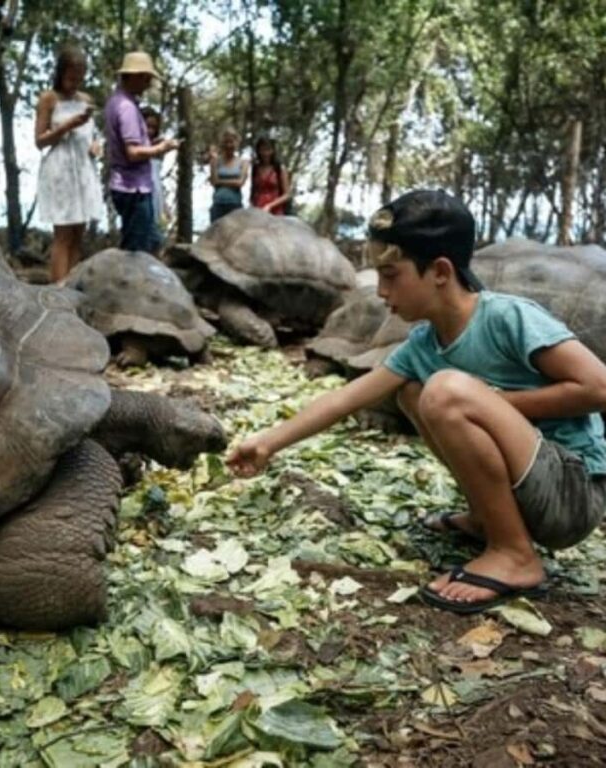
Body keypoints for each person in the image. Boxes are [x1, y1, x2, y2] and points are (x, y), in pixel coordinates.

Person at [227, 189, 606, 614]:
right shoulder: (423, 343)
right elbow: (345, 399)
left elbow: (599, 388)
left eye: (392, 276)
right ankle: (489, 518)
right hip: (531, 487)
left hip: (573, 495)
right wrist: (267, 443)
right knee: (412, 392)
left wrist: (497, 404)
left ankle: (515, 555)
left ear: (441, 271)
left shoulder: (508, 318)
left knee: (445, 392)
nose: (382, 291)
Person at [35, 46, 104, 282]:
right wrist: (67, 126)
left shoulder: (86, 100)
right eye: (71, 77)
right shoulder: (49, 99)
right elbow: (40, 141)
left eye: (80, 78)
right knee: (63, 234)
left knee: (78, 234)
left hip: (83, 169)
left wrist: (96, 146)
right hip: (60, 168)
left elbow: (92, 135)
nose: (75, 83)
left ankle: (72, 286)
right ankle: (58, 289)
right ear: (61, 73)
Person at [104, 51, 180, 253]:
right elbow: (132, 152)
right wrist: (160, 148)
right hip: (133, 188)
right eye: (146, 78)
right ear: (135, 76)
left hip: (127, 185)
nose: (148, 84)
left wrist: (151, 143)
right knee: (136, 251)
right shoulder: (127, 108)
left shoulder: (116, 102)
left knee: (147, 240)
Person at [209, 127, 249, 222]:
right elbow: (214, 182)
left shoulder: (243, 162)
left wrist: (221, 182)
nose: (229, 145)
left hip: (235, 204)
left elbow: (240, 183)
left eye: (231, 142)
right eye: (226, 142)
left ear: (236, 143)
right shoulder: (215, 162)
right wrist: (233, 182)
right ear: (222, 143)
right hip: (218, 204)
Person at [141, 106, 170, 232]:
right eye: (147, 126)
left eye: (153, 128)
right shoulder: (134, 149)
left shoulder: (156, 151)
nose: (150, 131)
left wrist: (164, 204)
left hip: (155, 194)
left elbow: (156, 180)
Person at [250, 136, 291, 215]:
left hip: (276, 208)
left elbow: (287, 194)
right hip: (258, 208)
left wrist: (270, 206)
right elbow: (253, 190)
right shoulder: (255, 168)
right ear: (258, 151)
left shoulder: (279, 169)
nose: (265, 153)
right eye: (262, 150)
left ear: (273, 150)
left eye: (268, 149)